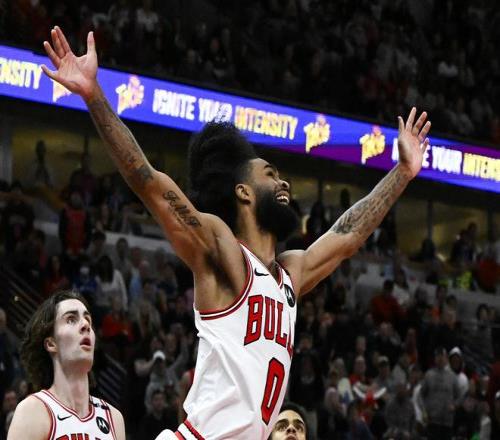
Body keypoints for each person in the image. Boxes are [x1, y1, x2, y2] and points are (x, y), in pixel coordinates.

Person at [42, 26, 431, 439]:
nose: (283, 183)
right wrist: (94, 96)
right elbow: (149, 183)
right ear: (243, 192)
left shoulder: (290, 274)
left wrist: (403, 173)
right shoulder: (223, 249)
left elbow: (348, 235)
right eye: (270, 174)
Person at [7, 290, 125, 440]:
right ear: (51, 344)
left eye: (88, 319)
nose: (85, 325)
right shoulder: (33, 411)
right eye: (71, 319)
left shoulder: (114, 418)